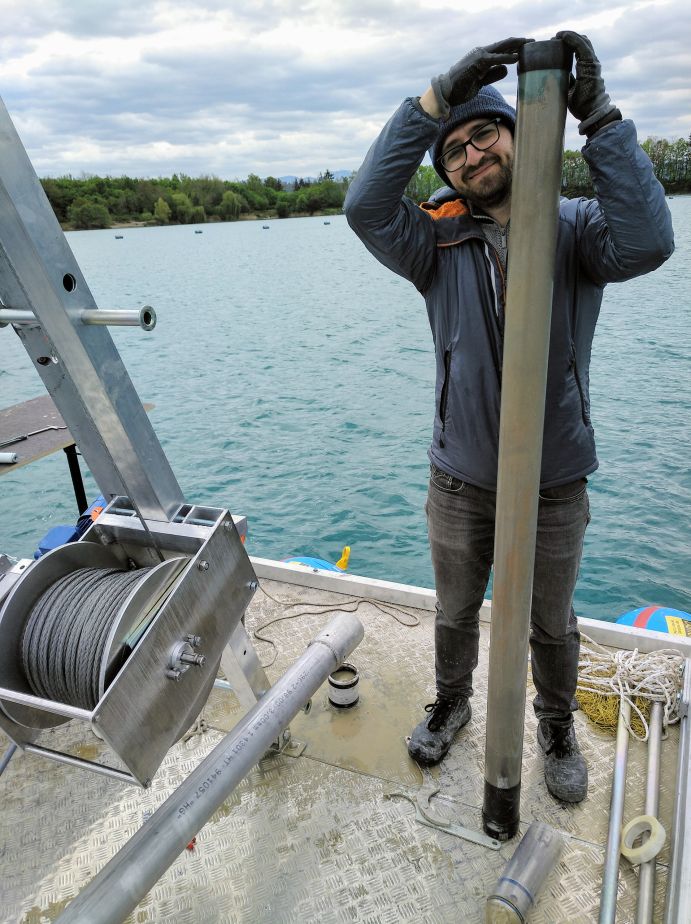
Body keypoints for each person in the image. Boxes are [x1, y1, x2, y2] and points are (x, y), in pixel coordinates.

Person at [344, 33, 674, 803]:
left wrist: (598, 115)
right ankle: (452, 702)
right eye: (450, 149)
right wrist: (430, 99)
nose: (466, 154)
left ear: (525, 133)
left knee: (551, 624)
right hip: (458, 477)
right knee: (455, 612)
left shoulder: (578, 229)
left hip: (554, 480)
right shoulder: (433, 240)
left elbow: (651, 241)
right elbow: (363, 205)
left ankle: (554, 725)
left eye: (482, 131)